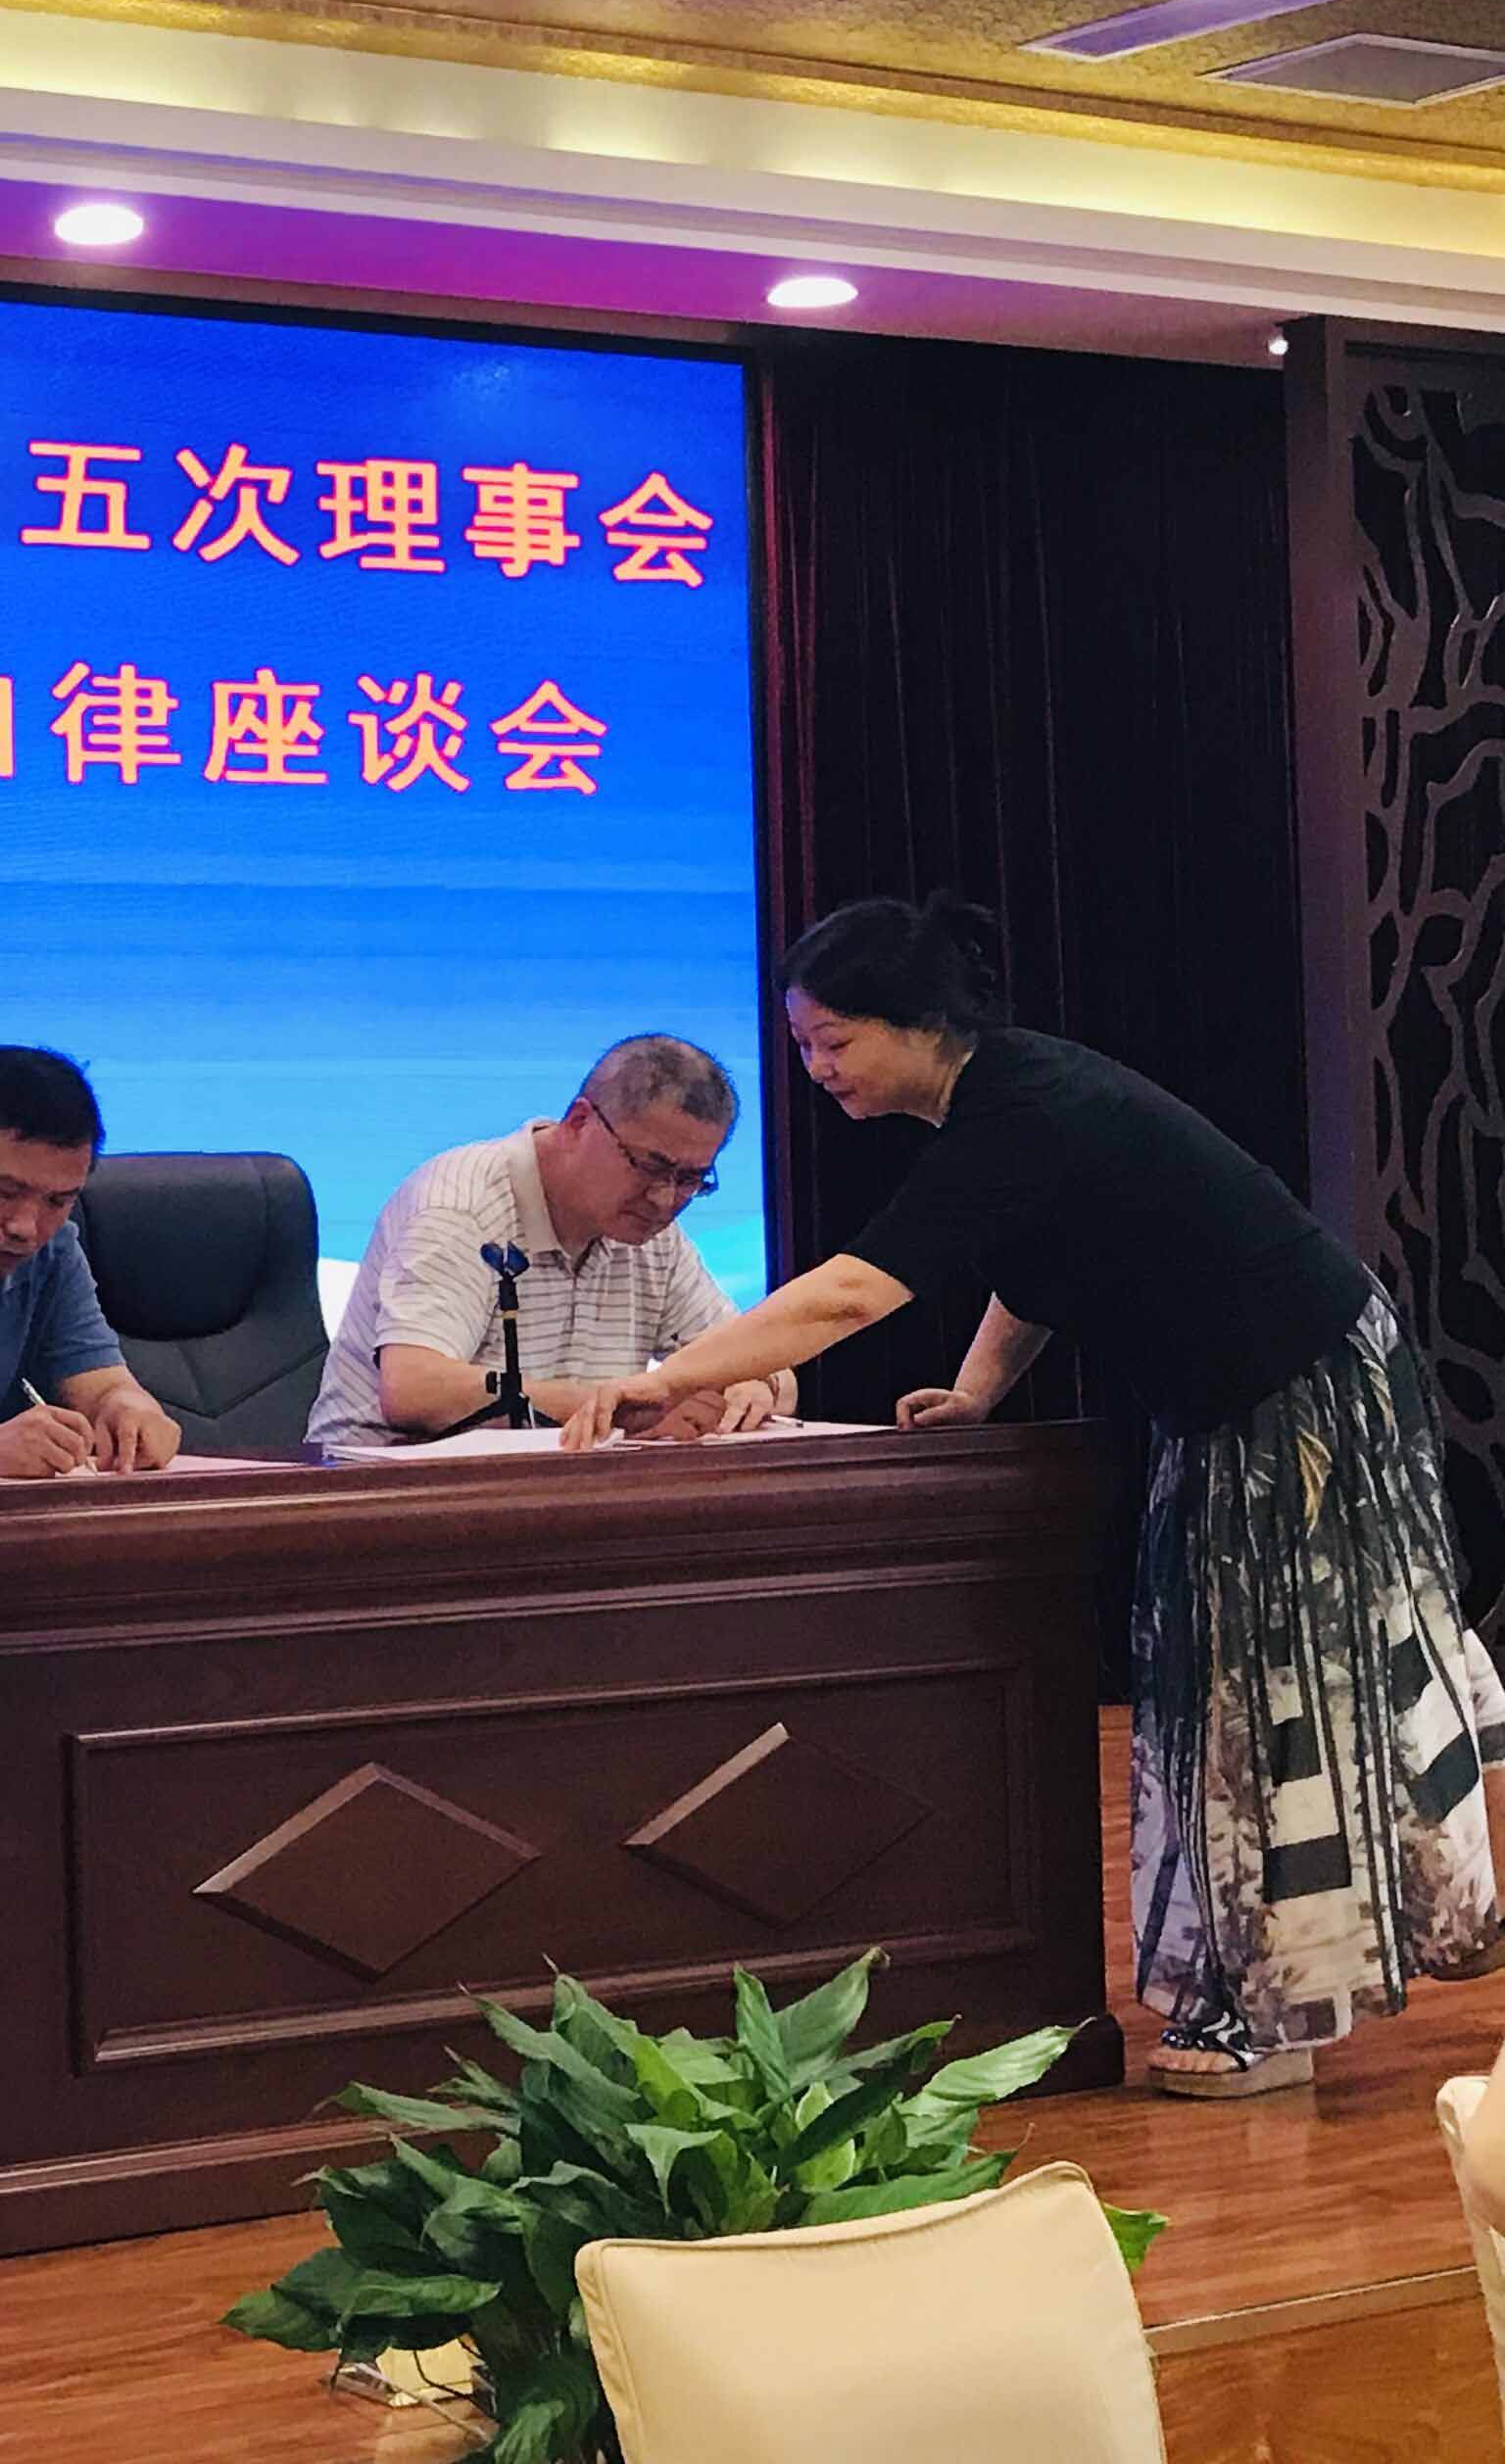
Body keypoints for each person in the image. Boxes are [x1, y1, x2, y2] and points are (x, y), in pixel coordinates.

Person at [557, 898, 1505, 2097]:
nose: (817, 1068)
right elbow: (1040, 1265)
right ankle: (1424, 1919)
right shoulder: (1004, 1104)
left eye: (834, 1040)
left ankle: (1282, 2014)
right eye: (801, 1044)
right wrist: (976, 1392)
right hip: (1249, 1399)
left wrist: (662, 1380)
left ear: (918, 1023)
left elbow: (851, 1295)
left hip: (1291, 1396)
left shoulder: (1025, 1105)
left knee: (1263, 1695)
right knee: (1256, 1682)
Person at [308, 1036, 797, 1454]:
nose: (666, 1198)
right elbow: (414, 1388)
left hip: (561, 1490)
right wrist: (619, 1408)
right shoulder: (461, 1206)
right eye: (650, 1167)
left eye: (691, 1179)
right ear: (580, 1122)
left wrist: (753, 1385)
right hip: (378, 1495)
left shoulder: (651, 1233)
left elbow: (765, 1362)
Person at [0, 1046, 181, 1477]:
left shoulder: (52, 1254)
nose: (25, 1228)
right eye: (6, 1192)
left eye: (57, 1201)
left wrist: (130, 1411)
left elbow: (103, 1386)